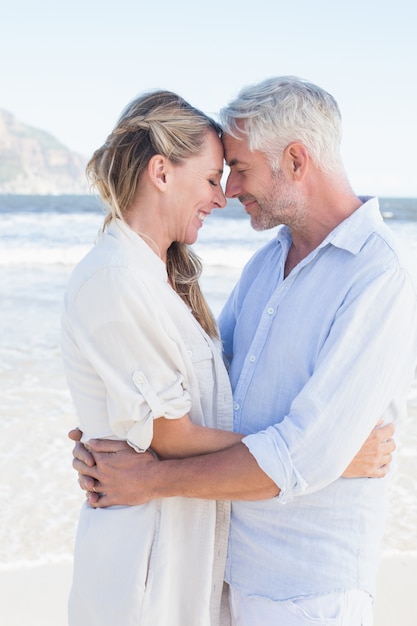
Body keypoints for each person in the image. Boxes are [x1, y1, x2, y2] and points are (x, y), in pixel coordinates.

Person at [70, 77, 415, 625]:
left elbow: (304, 458)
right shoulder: (265, 266)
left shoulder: (379, 276)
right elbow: (204, 393)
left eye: (239, 168)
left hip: (306, 590)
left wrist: (149, 477)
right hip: (224, 575)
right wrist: (111, 432)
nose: (228, 190)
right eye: (217, 174)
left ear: (296, 161)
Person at [61, 90, 251, 626]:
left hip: (181, 555)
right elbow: (172, 437)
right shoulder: (114, 277)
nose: (223, 197)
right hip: (143, 573)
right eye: (213, 178)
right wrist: (312, 456)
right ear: (161, 172)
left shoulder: (160, 278)